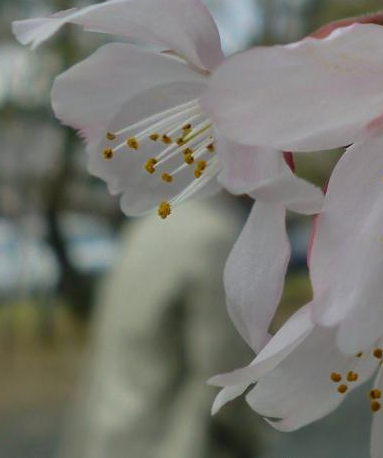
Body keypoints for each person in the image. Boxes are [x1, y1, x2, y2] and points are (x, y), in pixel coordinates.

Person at [58, 196, 263, 458]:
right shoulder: (215, 237)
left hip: (107, 437)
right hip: (169, 444)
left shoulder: (148, 226)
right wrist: (247, 440)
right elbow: (227, 371)